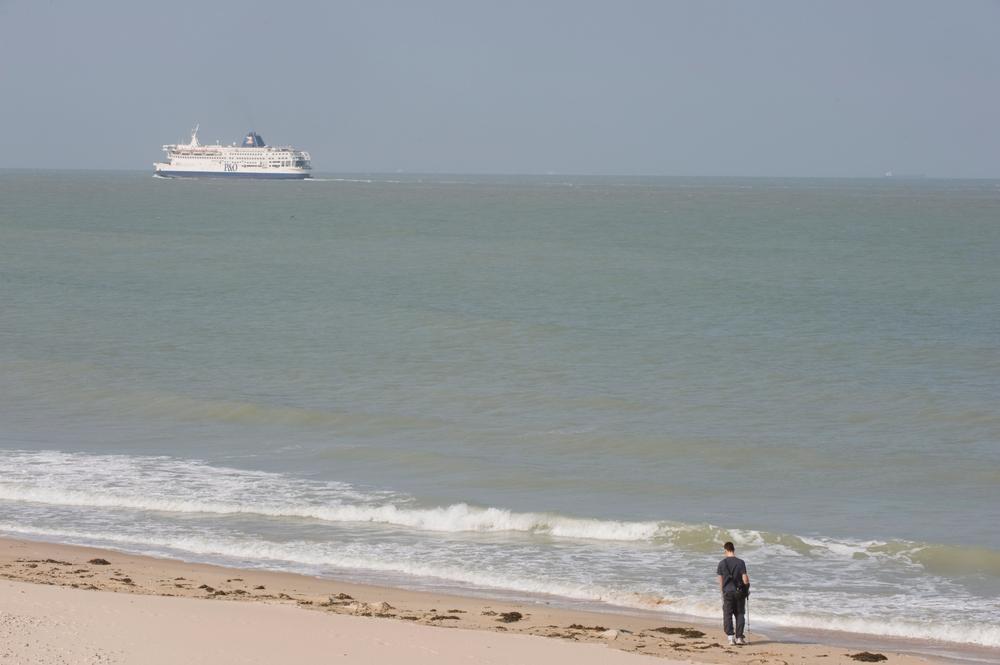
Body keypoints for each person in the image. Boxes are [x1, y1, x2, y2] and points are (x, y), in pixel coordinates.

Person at [716, 541, 749, 646]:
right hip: (739, 592)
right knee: (740, 614)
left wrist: (722, 591)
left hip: (727, 593)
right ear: (733, 549)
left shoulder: (722, 563)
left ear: (725, 550)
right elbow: (745, 579)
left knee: (727, 615)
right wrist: (747, 587)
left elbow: (720, 580)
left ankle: (730, 638)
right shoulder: (741, 562)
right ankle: (739, 638)